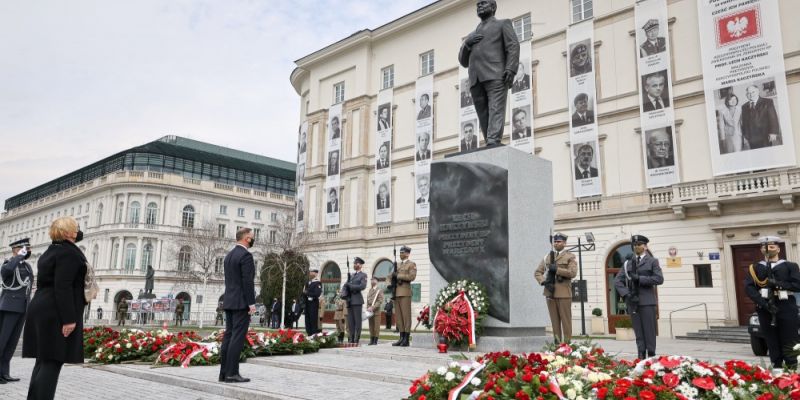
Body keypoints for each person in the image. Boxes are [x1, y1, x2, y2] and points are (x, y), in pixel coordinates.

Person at [22, 217, 87, 400]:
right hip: (56, 311)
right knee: (52, 362)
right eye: (75, 228)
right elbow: (63, 286)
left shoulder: (50, 251)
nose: (78, 231)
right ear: (67, 232)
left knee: (43, 361)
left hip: (43, 306)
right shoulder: (69, 253)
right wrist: (69, 318)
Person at [458, 0, 520, 146]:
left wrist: (511, 68)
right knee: (483, 114)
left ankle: (493, 141)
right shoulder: (472, 35)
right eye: (477, 5)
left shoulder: (503, 24)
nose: (479, 6)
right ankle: (490, 143)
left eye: (483, 3)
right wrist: (467, 43)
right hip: (475, 79)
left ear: (493, 7)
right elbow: (463, 61)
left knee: (495, 109)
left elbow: (513, 46)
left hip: (496, 74)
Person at [744, 236, 800, 369]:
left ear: (779, 248)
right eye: (764, 247)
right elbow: (749, 288)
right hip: (766, 307)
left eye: (771, 246)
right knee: (771, 340)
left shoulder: (790, 266)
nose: (767, 249)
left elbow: (797, 285)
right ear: (761, 249)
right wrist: (764, 304)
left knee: (790, 339)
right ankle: (777, 367)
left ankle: (792, 369)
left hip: (786, 306)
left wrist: (777, 284)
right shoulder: (755, 268)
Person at [614, 235, 664, 359]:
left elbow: (659, 279)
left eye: (639, 244)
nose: (636, 246)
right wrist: (626, 294)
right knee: (639, 332)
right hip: (633, 301)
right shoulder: (628, 263)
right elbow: (617, 281)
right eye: (635, 244)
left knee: (649, 331)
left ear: (645, 246)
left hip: (647, 301)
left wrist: (640, 279)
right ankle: (641, 355)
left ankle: (651, 355)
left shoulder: (652, 261)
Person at [219, 227, 257, 384]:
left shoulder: (229, 255)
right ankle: (232, 373)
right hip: (241, 302)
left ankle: (224, 373)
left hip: (229, 300)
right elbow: (247, 281)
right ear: (246, 238)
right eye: (252, 237)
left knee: (228, 336)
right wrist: (251, 303)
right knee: (237, 338)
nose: (253, 240)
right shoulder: (246, 256)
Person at [0, 238, 33, 384]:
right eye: (25, 248)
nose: (28, 251)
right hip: (9, 307)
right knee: (2, 341)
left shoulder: (26, 266)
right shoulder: (8, 264)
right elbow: (6, 272)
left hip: (22, 307)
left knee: (12, 343)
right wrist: (18, 256)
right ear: (16, 249)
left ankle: (4, 373)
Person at [533, 233, 577, 343]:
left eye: (559, 241)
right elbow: (538, 272)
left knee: (566, 322)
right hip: (550, 292)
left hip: (564, 293)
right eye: (555, 241)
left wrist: (557, 269)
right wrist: (544, 282)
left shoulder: (570, 257)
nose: (556, 243)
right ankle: (557, 345)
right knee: (554, 322)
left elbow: (573, 273)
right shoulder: (547, 256)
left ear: (564, 243)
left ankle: (567, 345)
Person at [741, 84, 781, 149]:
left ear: (758, 92)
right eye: (748, 93)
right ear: (746, 95)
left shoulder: (767, 102)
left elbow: (773, 118)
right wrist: (745, 135)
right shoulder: (744, 106)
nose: (751, 94)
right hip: (751, 137)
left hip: (765, 135)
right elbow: (744, 122)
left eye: (753, 92)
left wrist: (773, 133)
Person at [392, 246, 417, 347]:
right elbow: (390, 276)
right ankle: (401, 337)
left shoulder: (411, 264)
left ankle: (406, 338)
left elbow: (412, 276)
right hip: (396, 293)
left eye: (402, 252)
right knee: (399, 317)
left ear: (407, 254)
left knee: (406, 316)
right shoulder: (397, 265)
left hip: (405, 292)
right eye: (400, 252)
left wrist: (398, 276)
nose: (400, 254)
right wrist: (390, 282)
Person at [344, 257, 367, 344]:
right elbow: (346, 285)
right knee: (350, 321)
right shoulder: (351, 275)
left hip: (357, 300)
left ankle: (356, 338)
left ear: (360, 265)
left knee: (357, 321)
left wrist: (351, 286)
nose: (355, 265)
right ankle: (351, 338)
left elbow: (362, 286)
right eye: (354, 263)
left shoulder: (363, 275)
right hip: (349, 300)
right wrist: (344, 292)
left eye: (357, 263)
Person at [365, 277, 385, 346]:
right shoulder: (370, 290)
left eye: (374, 280)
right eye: (371, 280)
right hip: (369, 311)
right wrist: (367, 308)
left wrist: (372, 307)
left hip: (376, 311)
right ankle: (371, 339)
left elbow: (380, 301)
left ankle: (375, 340)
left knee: (376, 327)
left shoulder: (379, 290)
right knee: (371, 326)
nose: (372, 281)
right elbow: (368, 300)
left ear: (377, 281)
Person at [303, 267, 322, 335]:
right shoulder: (308, 282)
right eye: (310, 272)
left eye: (312, 272)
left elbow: (317, 294)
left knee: (313, 320)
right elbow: (304, 292)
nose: (310, 273)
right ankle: (309, 334)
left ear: (316, 273)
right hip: (307, 304)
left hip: (313, 304)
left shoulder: (317, 283)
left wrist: (307, 293)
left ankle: (313, 335)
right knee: (307, 321)